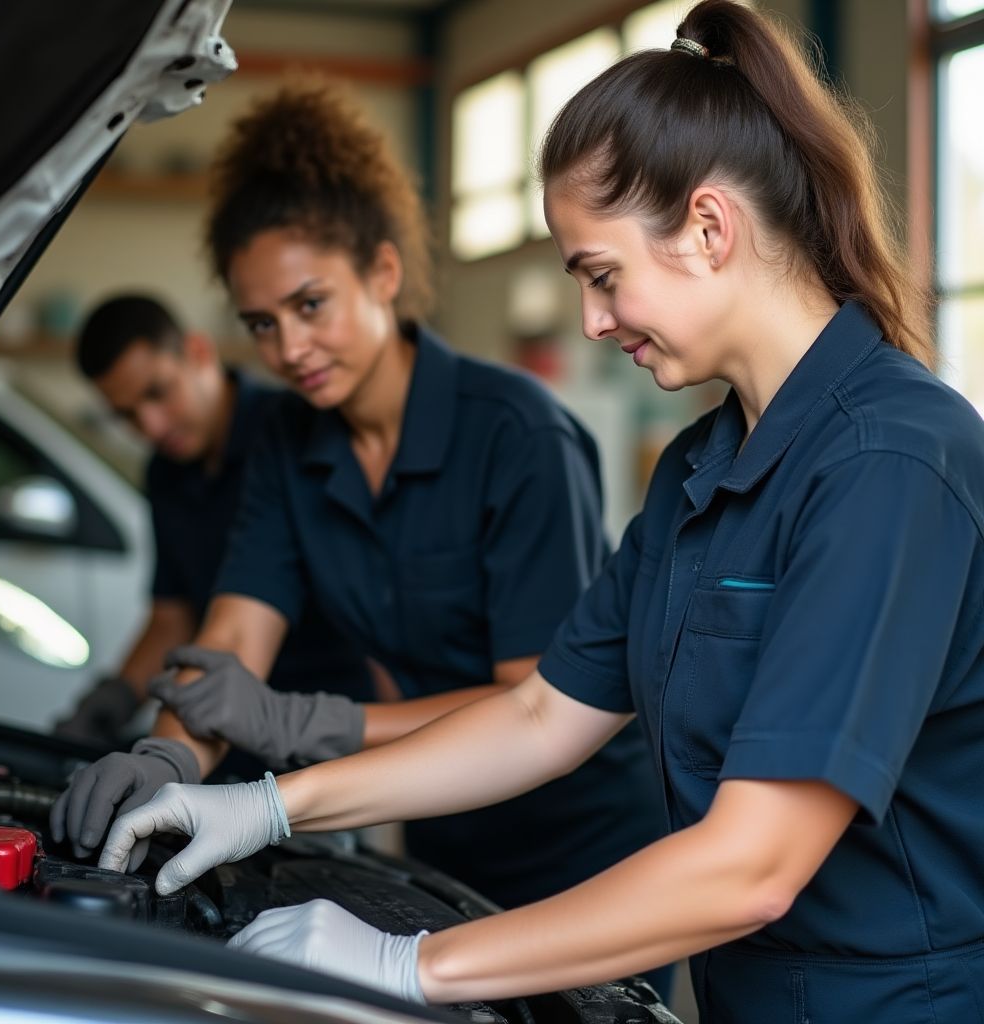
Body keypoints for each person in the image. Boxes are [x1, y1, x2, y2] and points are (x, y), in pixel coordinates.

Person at [97, 1, 984, 1019]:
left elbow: (753, 864)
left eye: (601, 276)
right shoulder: (703, 466)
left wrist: (407, 964)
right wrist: (262, 803)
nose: (592, 321)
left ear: (707, 227)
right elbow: (537, 715)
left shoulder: (891, 460)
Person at [53, 77, 668, 963]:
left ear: (383, 272)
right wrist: (168, 762)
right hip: (440, 831)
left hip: (585, 840)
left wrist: (312, 723)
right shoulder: (289, 450)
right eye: (261, 323)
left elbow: (534, 704)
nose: (288, 350)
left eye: (311, 306)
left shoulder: (517, 435)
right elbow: (233, 633)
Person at [52, 297, 376, 776]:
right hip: (221, 733)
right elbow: (172, 614)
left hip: (327, 730)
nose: (151, 426)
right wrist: (118, 695)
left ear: (198, 353)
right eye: (127, 415)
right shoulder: (165, 473)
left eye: (158, 393)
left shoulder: (294, 433)